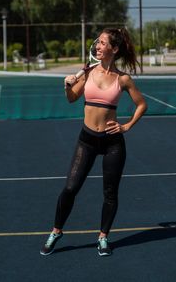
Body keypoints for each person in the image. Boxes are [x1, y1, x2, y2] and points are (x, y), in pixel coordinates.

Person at [40, 28, 147, 257]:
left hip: (113, 143)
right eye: (97, 42)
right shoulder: (87, 73)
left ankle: (103, 237)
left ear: (114, 49)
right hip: (87, 140)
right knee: (70, 188)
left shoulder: (123, 79)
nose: (97, 46)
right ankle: (56, 231)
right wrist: (67, 85)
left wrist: (126, 126)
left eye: (102, 43)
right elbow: (71, 99)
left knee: (110, 193)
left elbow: (142, 105)